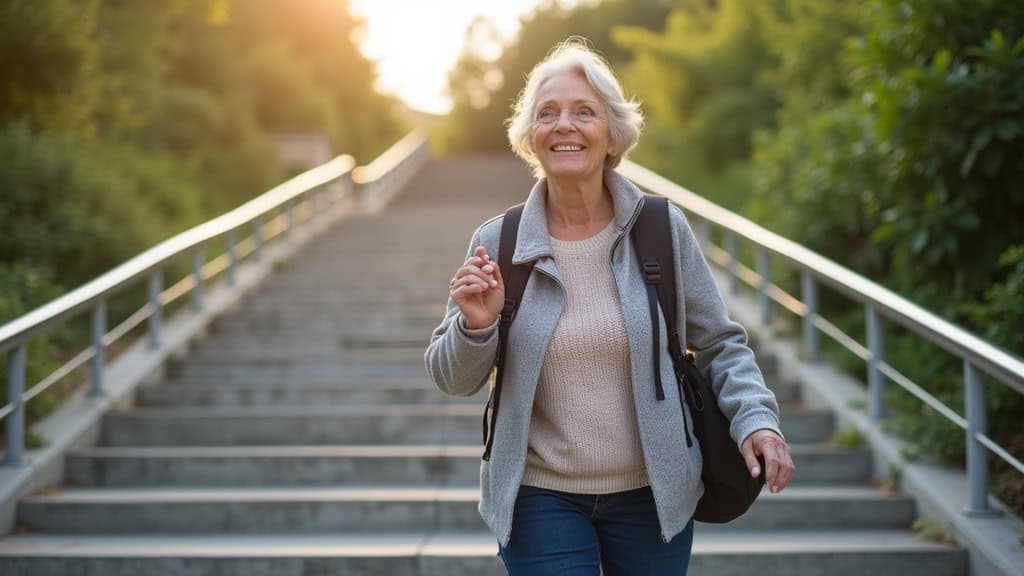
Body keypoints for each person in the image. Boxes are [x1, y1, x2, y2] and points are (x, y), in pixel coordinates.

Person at [425, 38, 794, 575]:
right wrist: (475, 328)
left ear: (612, 133)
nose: (564, 125)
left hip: (653, 495)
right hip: (538, 497)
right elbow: (449, 377)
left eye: (584, 112)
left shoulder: (660, 230)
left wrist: (756, 420)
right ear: (531, 136)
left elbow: (720, 344)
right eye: (547, 113)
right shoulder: (499, 241)